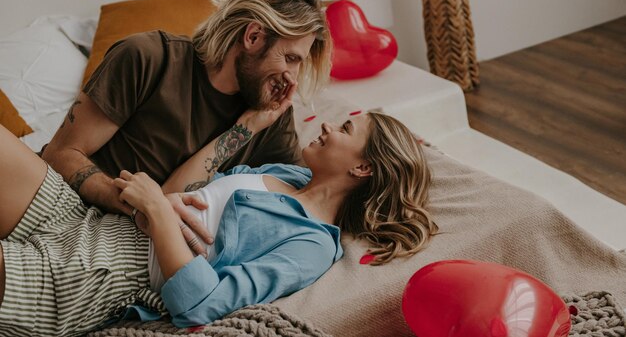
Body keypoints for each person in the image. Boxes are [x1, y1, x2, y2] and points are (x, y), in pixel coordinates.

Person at [0, 109, 437, 337]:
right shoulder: (288, 175)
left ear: (363, 168)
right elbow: (183, 190)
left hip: (109, 269)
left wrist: (157, 212)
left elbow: (203, 304)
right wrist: (157, 200)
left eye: (344, 128)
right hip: (93, 219)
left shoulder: (312, 245)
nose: (325, 123)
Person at [40, 0, 332, 250]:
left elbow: (304, 198)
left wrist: (247, 128)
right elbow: (60, 154)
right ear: (253, 37)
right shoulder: (148, 58)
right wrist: (141, 206)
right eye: (290, 58)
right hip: (61, 202)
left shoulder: (269, 114)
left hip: (131, 246)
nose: (292, 78)